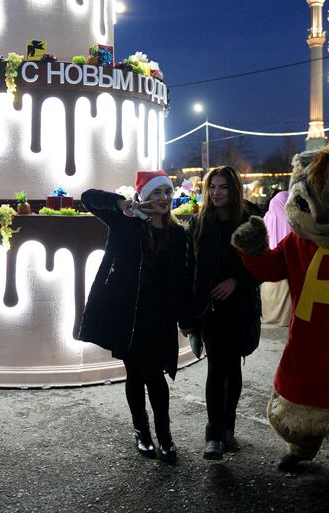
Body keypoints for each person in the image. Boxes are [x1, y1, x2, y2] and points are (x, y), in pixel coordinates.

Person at [79, 170, 190, 463]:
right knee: (135, 373)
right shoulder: (125, 222)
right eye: (156, 193)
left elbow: (182, 278)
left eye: (167, 192)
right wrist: (121, 205)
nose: (163, 199)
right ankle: (142, 432)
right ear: (144, 197)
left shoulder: (178, 233)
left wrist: (185, 317)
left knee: (155, 375)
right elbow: (88, 199)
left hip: (159, 314)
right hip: (128, 311)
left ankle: (164, 436)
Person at [186, 166, 261, 460]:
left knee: (234, 368)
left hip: (240, 308)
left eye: (223, 188)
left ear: (234, 190)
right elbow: (190, 271)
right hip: (211, 310)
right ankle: (214, 435)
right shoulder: (198, 223)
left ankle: (228, 428)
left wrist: (237, 281)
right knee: (217, 368)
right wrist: (190, 319)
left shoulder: (250, 222)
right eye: (212, 187)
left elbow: (260, 266)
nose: (216, 193)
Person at [260, 191, 291, 326]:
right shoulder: (295, 222)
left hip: (270, 268)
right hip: (288, 267)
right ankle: (285, 318)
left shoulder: (266, 218)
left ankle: (269, 316)